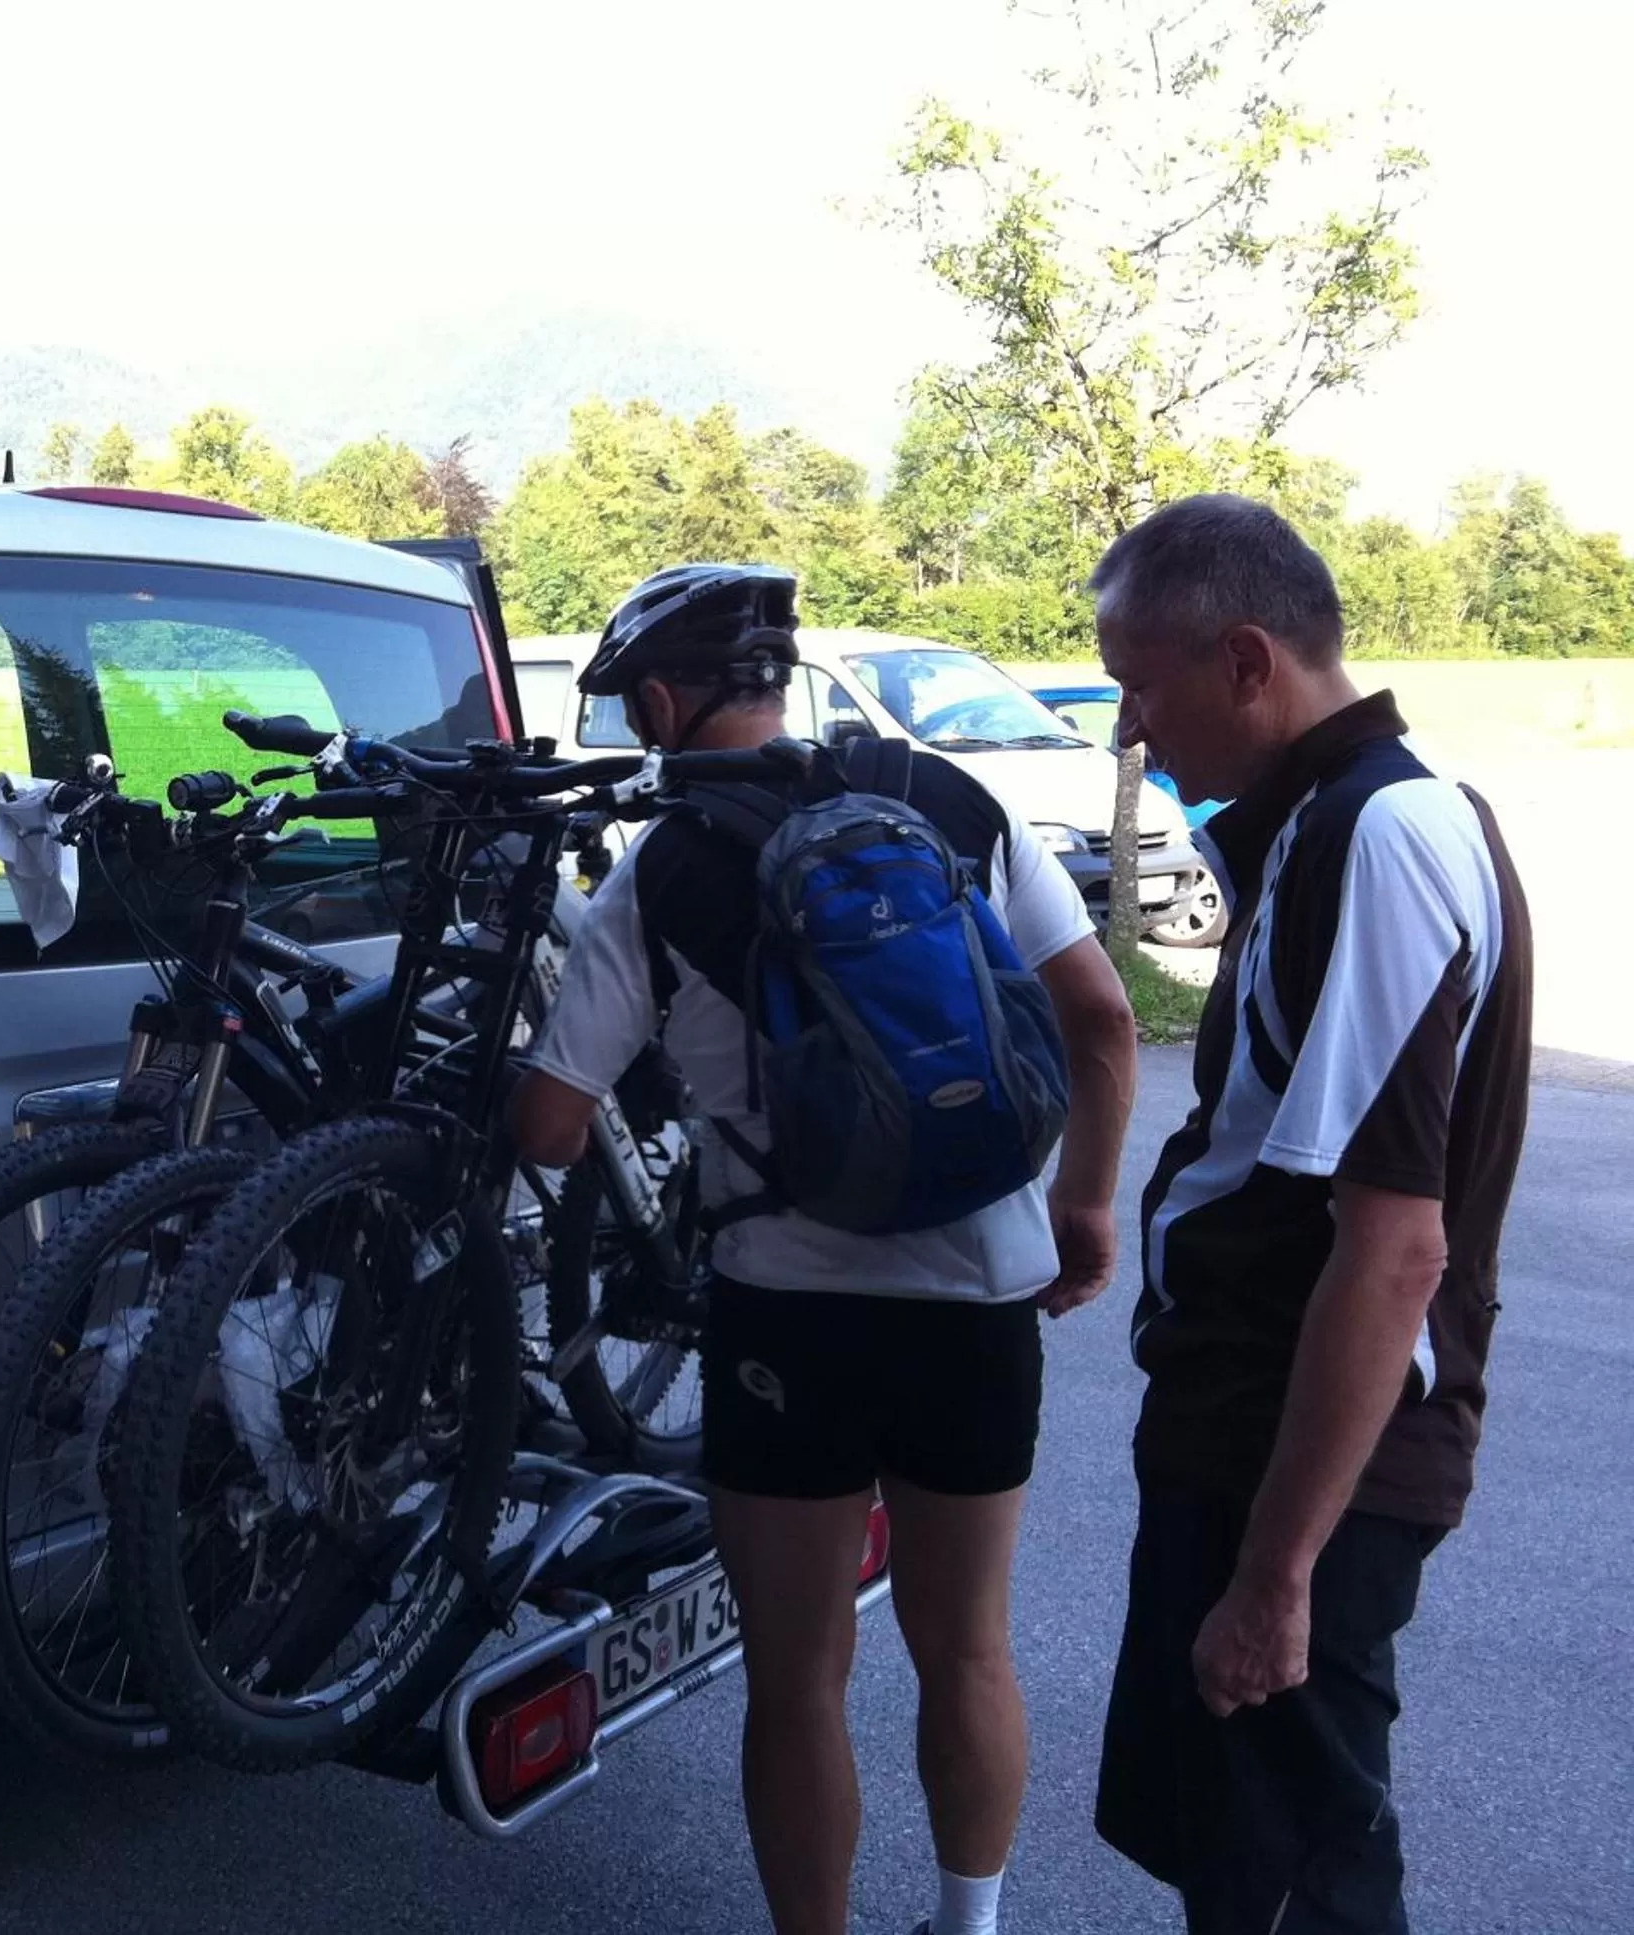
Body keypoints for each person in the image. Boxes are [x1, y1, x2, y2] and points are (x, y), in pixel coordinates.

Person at [508, 564, 1140, 1935]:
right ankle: (968, 1925)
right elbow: (1101, 1022)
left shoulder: (658, 872)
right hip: (978, 1294)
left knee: (799, 1677)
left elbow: (555, 1132)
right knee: (967, 1647)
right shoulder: (950, 802)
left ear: (665, 701)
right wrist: (1084, 1208)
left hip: (789, 1318)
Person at [1088, 495, 1533, 1934]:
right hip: (1241, 1433)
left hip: (1304, 1468)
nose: (1128, 735)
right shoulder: (1319, 823)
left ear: (1245, 660)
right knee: (1239, 1858)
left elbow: (1398, 1242)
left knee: (1301, 1885)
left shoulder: (1386, 835)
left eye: (1137, 686)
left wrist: (1277, 1574)